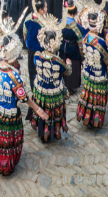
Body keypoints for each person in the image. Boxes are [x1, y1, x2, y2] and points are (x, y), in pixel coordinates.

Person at [0, 22, 48, 176]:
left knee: (0, 133)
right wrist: (37, 109)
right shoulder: (14, 76)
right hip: (11, 111)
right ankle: (6, 165)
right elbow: (24, 98)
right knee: (9, 138)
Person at [28, 12, 72, 143]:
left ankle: (41, 132)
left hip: (40, 89)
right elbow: (67, 72)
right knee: (53, 112)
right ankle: (51, 133)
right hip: (54, 92)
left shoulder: (37, 55)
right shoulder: (57, 61)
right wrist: (69, 64)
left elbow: (36, 65)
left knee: (41, 110)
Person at [77, 11, 108, 129]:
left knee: (88, 94)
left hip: (88, 71)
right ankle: (96, 119)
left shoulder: (85, 38)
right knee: (98, 96)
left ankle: (86, 116)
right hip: (99, 74)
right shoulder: (101, 42)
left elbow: (82, 53)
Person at [60, 0, 86, 94]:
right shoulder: (77, 27)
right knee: (73, 65)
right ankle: (70, 86)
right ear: (75, 13)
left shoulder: (61, 22)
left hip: (63, 47)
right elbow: (80, 42)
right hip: (73, 49)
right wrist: (82, 54)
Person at [23, 0, 47, 90]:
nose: (47, 9)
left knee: (32, 71)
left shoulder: (28, 18)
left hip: (31, 49)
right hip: (41, 51)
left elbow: (25, 34)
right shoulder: (44, 22)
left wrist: (28, 43)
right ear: (40, 10)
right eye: (45, 8)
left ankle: (34, 90)